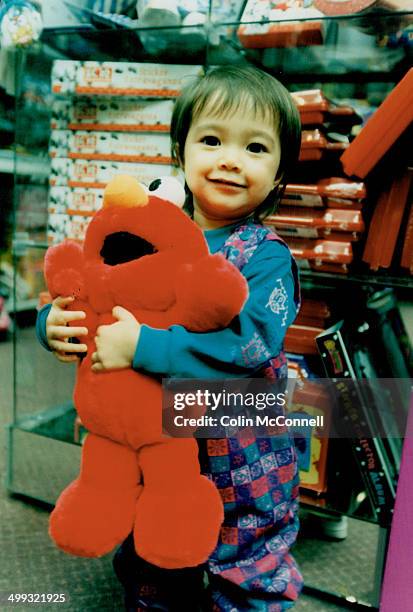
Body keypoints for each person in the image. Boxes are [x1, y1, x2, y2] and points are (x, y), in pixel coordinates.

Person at [36, 64, 303, 611]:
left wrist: (144, 348)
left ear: (279, 174)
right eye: (211, 140)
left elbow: (249, 347)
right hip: (150, 443)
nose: (229, 159)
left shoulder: (265, 256)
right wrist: (54, 323)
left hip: (240, 448)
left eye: (255, 148)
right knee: (153, 555)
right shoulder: (145, 229)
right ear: (181, 153)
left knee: (246, 558)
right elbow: (92, 282)